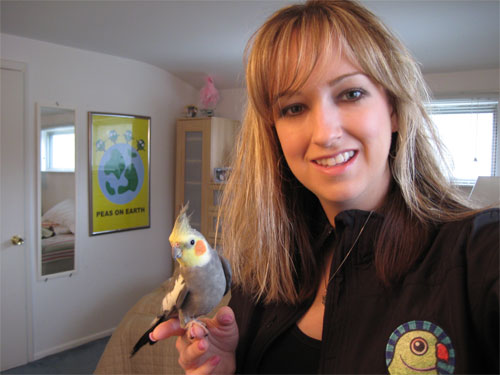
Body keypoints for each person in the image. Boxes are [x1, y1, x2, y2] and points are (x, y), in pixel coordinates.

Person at [151, 0, 499, 373]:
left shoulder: (477, 252)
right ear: (275, 134)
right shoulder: (267, 269)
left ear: (394, 108)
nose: (325, 134)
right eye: (294, 108)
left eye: (350, 94)